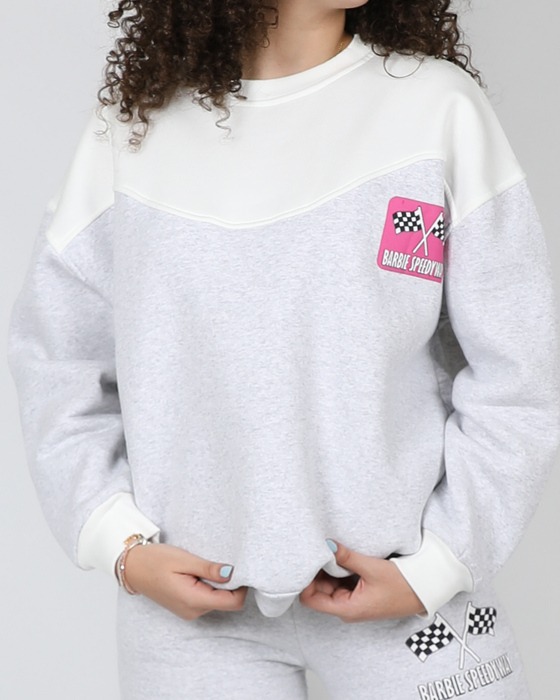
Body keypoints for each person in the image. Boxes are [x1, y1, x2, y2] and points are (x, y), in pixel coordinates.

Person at [7, 1, 560, 698]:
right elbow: (55, 357)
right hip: (188, 622)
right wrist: (119, 546)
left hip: (410, 596)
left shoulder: (436, 111)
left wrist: (441, 563)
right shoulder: (132, 130)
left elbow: (520, 371)